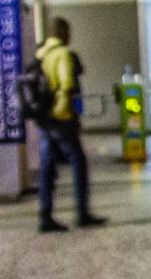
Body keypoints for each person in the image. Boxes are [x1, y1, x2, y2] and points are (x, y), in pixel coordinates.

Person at [32, 17, 105, 233]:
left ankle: (45, 215)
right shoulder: (62, 53)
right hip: (60, 119)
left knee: (47, 167)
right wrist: (67, 114)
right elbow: (66, 85)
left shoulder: (40, 53)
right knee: (78, 161)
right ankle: (82, 213)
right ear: (63, 33)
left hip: (44, 118)